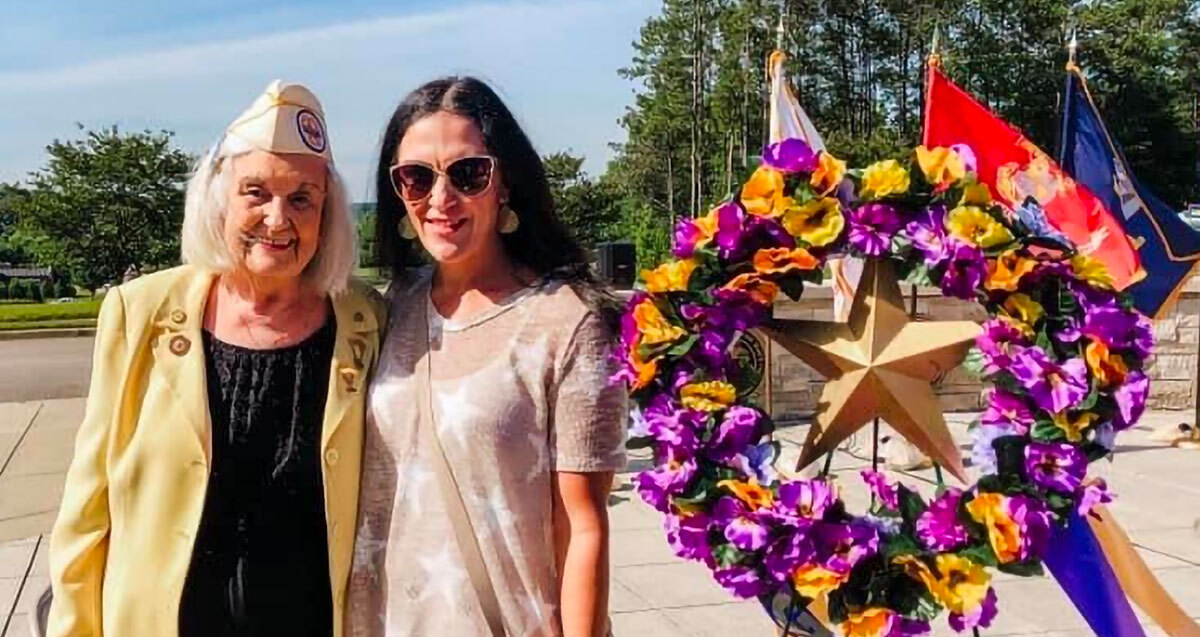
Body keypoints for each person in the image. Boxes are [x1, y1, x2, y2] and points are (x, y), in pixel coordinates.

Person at [47, 80, 385, 637]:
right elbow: (88, 508)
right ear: (219, 198)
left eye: (302, 198)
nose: (278, 220)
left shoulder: (367, 322)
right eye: (256, 193)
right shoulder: (140, 312)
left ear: (326, 216)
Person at [346, 76, 626, 637]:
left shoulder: (568, 322)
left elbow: (582, 526)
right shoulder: (389, 308)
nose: (441, 199)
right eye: (417, 177)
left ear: (505, 184)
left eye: (469, 173)